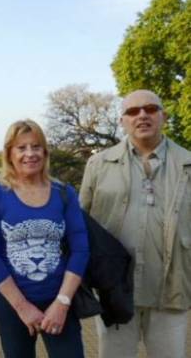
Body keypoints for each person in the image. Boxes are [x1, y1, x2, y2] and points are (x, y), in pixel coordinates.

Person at [79, 89, 191, 358]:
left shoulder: (187, 163)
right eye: (132, 111)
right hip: (115, 289)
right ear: (122, 121)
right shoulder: (99, 164)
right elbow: (81, 224)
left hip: (170, 289)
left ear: (163, 115)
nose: (142, 115)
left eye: (150, 109)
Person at [0, 119, 90, 358]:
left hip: (59, 299)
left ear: (45, 151)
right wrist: (23, 308)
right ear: (9, 153)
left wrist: (62, 303)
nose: (30, 154)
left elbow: (80, 249)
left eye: (36, 146)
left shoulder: (64, 193)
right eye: (21, 148)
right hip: (12, 304)